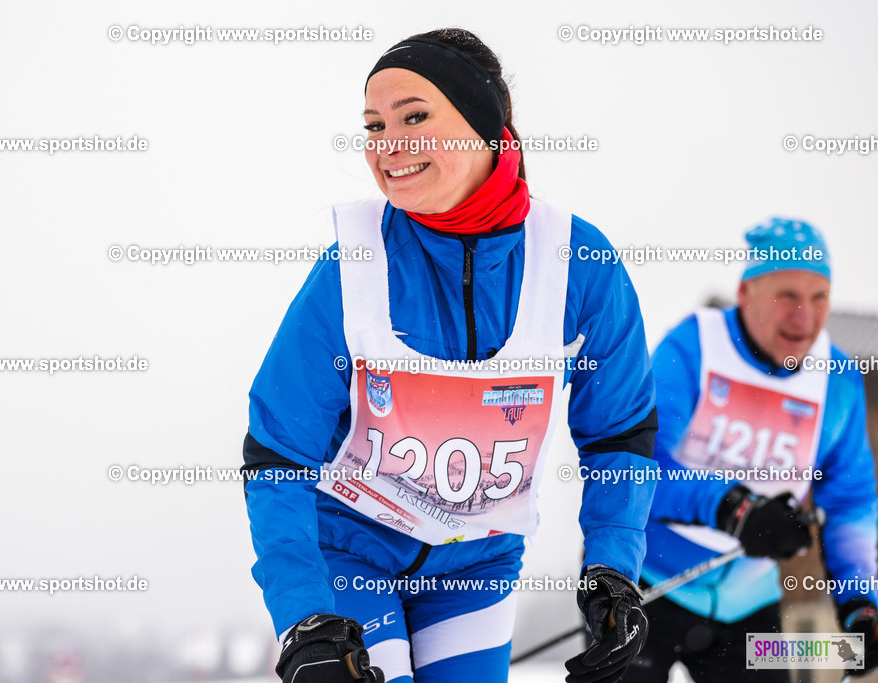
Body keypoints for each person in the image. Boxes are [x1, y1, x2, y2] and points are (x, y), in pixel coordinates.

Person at [242, 28, 659, 683]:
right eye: (375, 126)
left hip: (476, 562)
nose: (389, 146)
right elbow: (276, 451)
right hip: (351, 549)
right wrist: (306, 617)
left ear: (486, 126)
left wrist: (612, 570)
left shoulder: (578, 261)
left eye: (415, 117)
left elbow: (619, 434)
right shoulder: (355, 262)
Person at [630, 219, 878, 681]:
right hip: (648, 583)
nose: (804, 316)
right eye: (787, 296)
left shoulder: (837, 381)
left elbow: (850, 501)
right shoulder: (694, 344)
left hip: (751, 602)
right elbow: (639, 467)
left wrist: (860, 601)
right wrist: (735, 508)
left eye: (819, 297)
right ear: (746, 293)